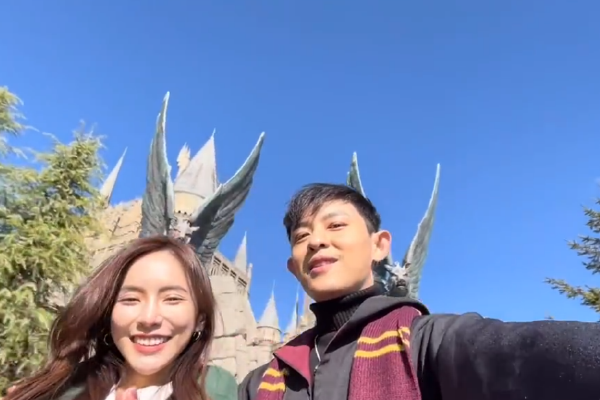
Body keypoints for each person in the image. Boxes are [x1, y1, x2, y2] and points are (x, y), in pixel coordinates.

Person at [238, 183, 600, 400]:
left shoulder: (427, 344)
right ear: (293, 266)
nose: (316, 241)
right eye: (302, 236)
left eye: (335, 225)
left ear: (379, 246)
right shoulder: (260, 384)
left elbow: (526, 354)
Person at [4, 236, 237, 400]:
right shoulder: (65, 385)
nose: (149, 318)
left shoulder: (213, 386)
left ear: (200, 320)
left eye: (172, 299)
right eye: (130, 299)